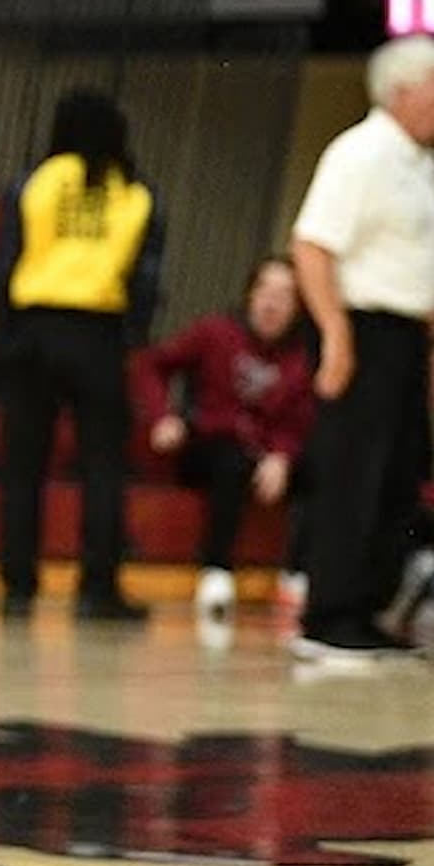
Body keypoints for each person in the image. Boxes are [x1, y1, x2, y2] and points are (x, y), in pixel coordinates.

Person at [285, 36, 434, 668]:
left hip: (407, 336)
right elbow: (311, 247)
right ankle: (327, 617)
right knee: (354, 473)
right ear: (403, 90)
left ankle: (366, 611)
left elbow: (418, 263)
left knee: (400, 475)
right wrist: (334, 333)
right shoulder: (359, 153)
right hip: (362, 331)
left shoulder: (420, 163)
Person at [0, 91, 164, 623]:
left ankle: (18, 587)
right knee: (103, 468)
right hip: (99, 335)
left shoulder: (35, 182)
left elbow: (5, 261)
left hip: (34, 330)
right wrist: (132, 336)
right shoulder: (134, 193)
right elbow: (147, 278)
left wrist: (8, 331)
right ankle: (98, 589)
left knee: (23, 466)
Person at [138, 256, 314, 625]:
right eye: (264, 291)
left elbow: (303, 420)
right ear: (250, 295)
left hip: (266, 455)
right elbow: (152, 364)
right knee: (229, 459)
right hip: (209, 445)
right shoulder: (214, 332)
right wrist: (162, 416)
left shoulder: (302, 358)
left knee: (320, 467)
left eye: (284, 296)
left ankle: (297, 574)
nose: (271, 303)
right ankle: (216, 571)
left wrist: (282, 456)